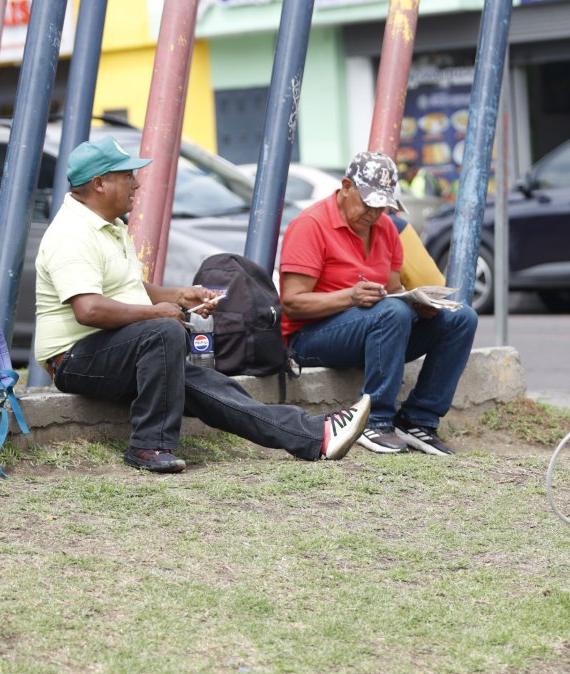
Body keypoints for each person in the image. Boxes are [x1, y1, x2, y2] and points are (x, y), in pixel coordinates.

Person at [34, 136, 370, 474]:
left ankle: (316, 434)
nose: (136, 185)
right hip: (73, 360)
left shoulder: (112, 227)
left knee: (214, 388)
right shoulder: (73, 233)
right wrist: (157, 314)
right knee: (163, 331)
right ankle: (150, 446)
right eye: (127, 176)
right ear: (99, 183)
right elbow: (88, 309)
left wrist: (181, 296)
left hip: (119, 351)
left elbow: (130, 289)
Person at [278, 151, 478, 455]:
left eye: (382, 205)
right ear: (346, 186)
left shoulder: (387, 228)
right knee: (393, 312)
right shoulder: (311, 224)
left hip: (376, 331)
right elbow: (292, 303)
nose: (374, 213)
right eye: (369, 203)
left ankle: (418, 419)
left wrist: (420, 307)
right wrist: (351, 296)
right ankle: (375, 421)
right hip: (311, 338)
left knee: (461, 317)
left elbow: (394, 291)